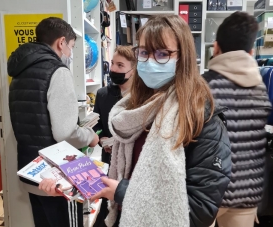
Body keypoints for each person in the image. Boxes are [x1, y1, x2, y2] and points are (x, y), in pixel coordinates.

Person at [91, 15, 232, 227]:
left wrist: (122, 192)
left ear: (182, 57)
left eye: (162, 54)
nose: (150, 61)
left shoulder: (201, 118)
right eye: (144, 52)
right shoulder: (133, 109)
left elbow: (200, 210)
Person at [8, 17, 99, 227]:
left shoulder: (19, 72)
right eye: (72, 47)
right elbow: (65, 133)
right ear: (61, 42)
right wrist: (90, 137)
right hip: (58, 176)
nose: (70, 53)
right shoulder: (57, 71)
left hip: (31, 169)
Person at [202, 12, 272, 227]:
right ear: (251, 52)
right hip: (247, 193)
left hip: (209, 193)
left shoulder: (202, 87)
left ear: (215, 48)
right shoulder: (261, 89)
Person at [93, 45, 136, 227]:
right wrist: (102, 140)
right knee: (108, 211)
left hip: (131, 167)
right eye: (112, 64)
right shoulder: (103, 94)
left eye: (120, 65)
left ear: (133, 70)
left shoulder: (142, 98)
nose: (113, 69)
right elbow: (97, 126)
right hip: (108, 162)